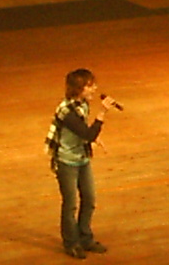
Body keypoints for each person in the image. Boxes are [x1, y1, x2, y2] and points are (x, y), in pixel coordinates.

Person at [45, 68, 117, 259]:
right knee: (70, 204)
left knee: (89, 198)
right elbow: (87, 133)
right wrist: (102, 113)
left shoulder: (82, 104)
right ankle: (71, 243)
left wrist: (93, 138)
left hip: (81, 158)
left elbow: (83, 131)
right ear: (78, 89)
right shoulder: (66, 111)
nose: (94, 88)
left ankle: (85, 238)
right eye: (89, 85)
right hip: (66, 161)